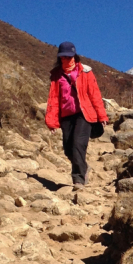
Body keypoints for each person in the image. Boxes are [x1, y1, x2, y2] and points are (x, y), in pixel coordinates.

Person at [45, 42, 109, 188]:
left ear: (74, 55)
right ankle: (84, 167)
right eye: (63, 57)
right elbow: (53, 99)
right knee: (68, 149)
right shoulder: (56, 75)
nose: (66, 59)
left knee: (78, 145)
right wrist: (52, 121)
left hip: (83, 114)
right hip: (66, 116)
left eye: (68, 56)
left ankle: (78, 179)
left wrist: (102, 115)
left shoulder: (85, 72)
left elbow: (94, 94)